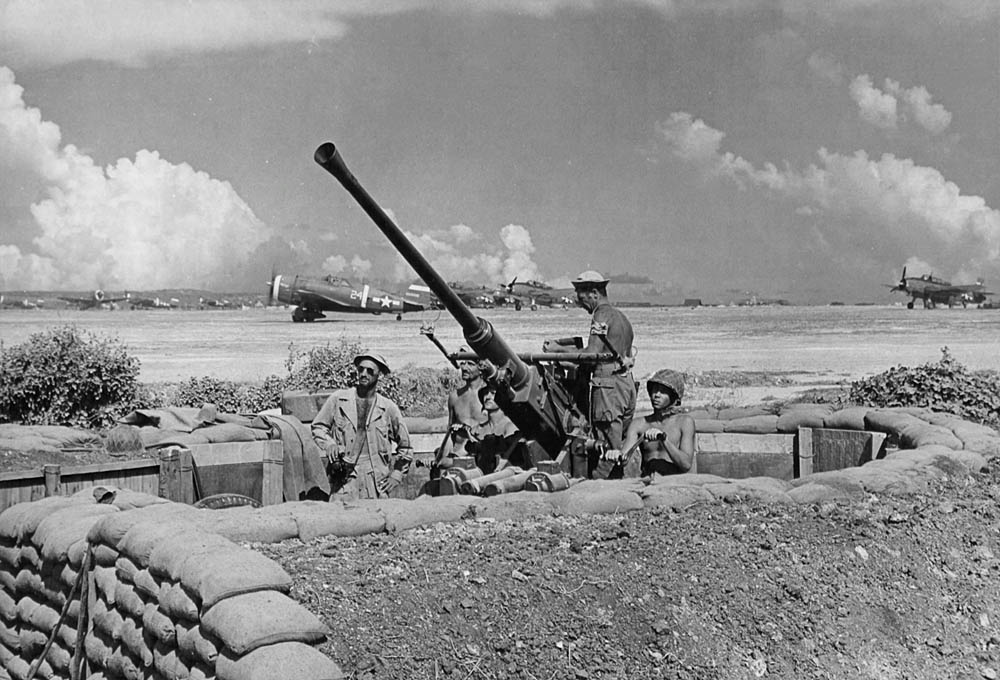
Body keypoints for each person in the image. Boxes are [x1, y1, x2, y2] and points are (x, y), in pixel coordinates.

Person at [542, 270, 637, 478]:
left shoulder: (601, 314)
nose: (579, 302)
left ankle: (605, 486)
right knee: (616, 438)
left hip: (607, 388)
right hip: (623, 383)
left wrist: (557, 350)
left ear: (594, 293)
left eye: (581, 296)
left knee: (606, 444)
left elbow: (591, 355)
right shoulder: (621, 317)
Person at [311, 352, 413, 500]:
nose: (364, 374)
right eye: (361, 369)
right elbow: (318, 427)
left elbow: (406, 447)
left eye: (370, 371)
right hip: (344, 480)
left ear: (380, 375)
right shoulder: (339, 399)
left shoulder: (388, 408)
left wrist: (396, 475)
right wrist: (329, 444)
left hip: (375, 481)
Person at [609, 369, 694, 476]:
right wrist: (616, 455)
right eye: (654, 390)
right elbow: (624, 458)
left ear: (673, 397)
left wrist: (664, 440)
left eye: (663, 391)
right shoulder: (639, 424)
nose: (657, 395)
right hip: (648, 480)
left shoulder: (684, 422)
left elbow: (686, 465)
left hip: (674, 482)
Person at [433, 351, 487, 470]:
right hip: (457, 458)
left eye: (470, 364)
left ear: (481, 368)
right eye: (462, 363)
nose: (464, 368)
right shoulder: (455, 397)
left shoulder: (490, 397)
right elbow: (450, 432)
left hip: (483, 457)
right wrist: (441, 457)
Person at [467, 384, 522, 473]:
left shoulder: (511, 427)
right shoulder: (477, 429)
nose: (488, 397)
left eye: (493, 393)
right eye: (485, 393)